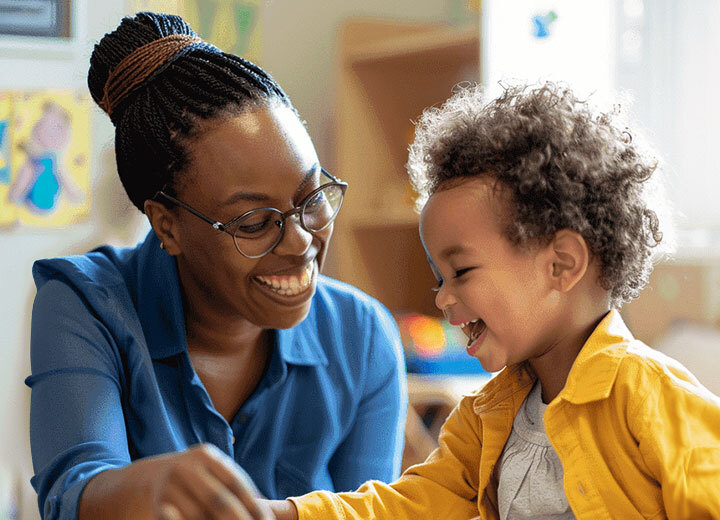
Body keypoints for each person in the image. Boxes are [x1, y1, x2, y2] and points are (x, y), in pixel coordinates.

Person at [268, 83, 720, 519]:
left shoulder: (649, 395)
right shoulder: (487, 417)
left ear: (561, 265)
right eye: (439, 278)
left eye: (461, 272)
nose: (443, 297)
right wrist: (283, 514)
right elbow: (412, 505)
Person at [25, 12, 407, 520]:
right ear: (167, 226)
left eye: (312, 197)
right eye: (252, 222)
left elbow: (370, 511)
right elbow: (71, 493)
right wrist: (145, 489)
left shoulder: (361, 337)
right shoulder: (84, 304)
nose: (299, 242)